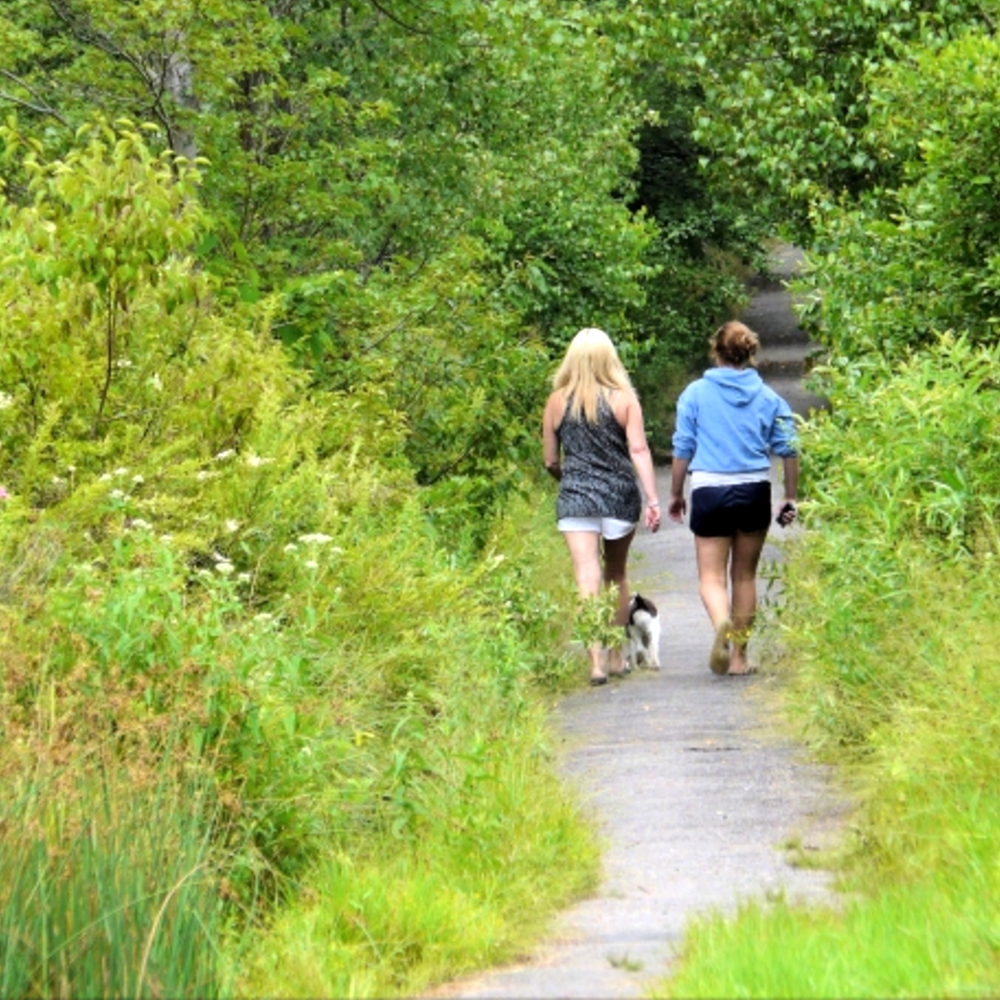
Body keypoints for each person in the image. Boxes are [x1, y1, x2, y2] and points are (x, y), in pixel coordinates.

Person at [667, 320, 799, 676]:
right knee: (744, 577)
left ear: (716, 351)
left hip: (709, 489)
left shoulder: (695, 393)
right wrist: (789, 495)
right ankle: (739, 658)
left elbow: (683, 447)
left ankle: (721, 621)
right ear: (750, 352)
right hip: (754, 488)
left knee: (711, 578)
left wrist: (677, 493)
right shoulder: (769, 397)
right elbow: (789, 448)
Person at [542, 328, 661, 686]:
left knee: (585, 576)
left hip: (576, 497)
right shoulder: (624, 399)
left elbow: (550, 460)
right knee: (617, 575)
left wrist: (571, 481)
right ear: (610, 358)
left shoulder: (557, 402)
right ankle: (615, 656)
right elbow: (638, 450)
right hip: (618, 496)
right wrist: (652, 498)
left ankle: (594, 662)